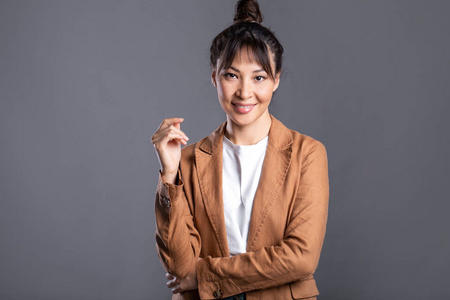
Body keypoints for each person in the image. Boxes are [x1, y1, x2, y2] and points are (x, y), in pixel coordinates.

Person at [151, 1, 329, 299]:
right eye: (231, 75)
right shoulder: (188, 159)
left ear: (276, 80)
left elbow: (302, 257)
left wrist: (205, 276)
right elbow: (180, 266)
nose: (245, 92)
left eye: (258, 77)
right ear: (214, 78)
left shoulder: (307, 153)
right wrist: (170, 175)